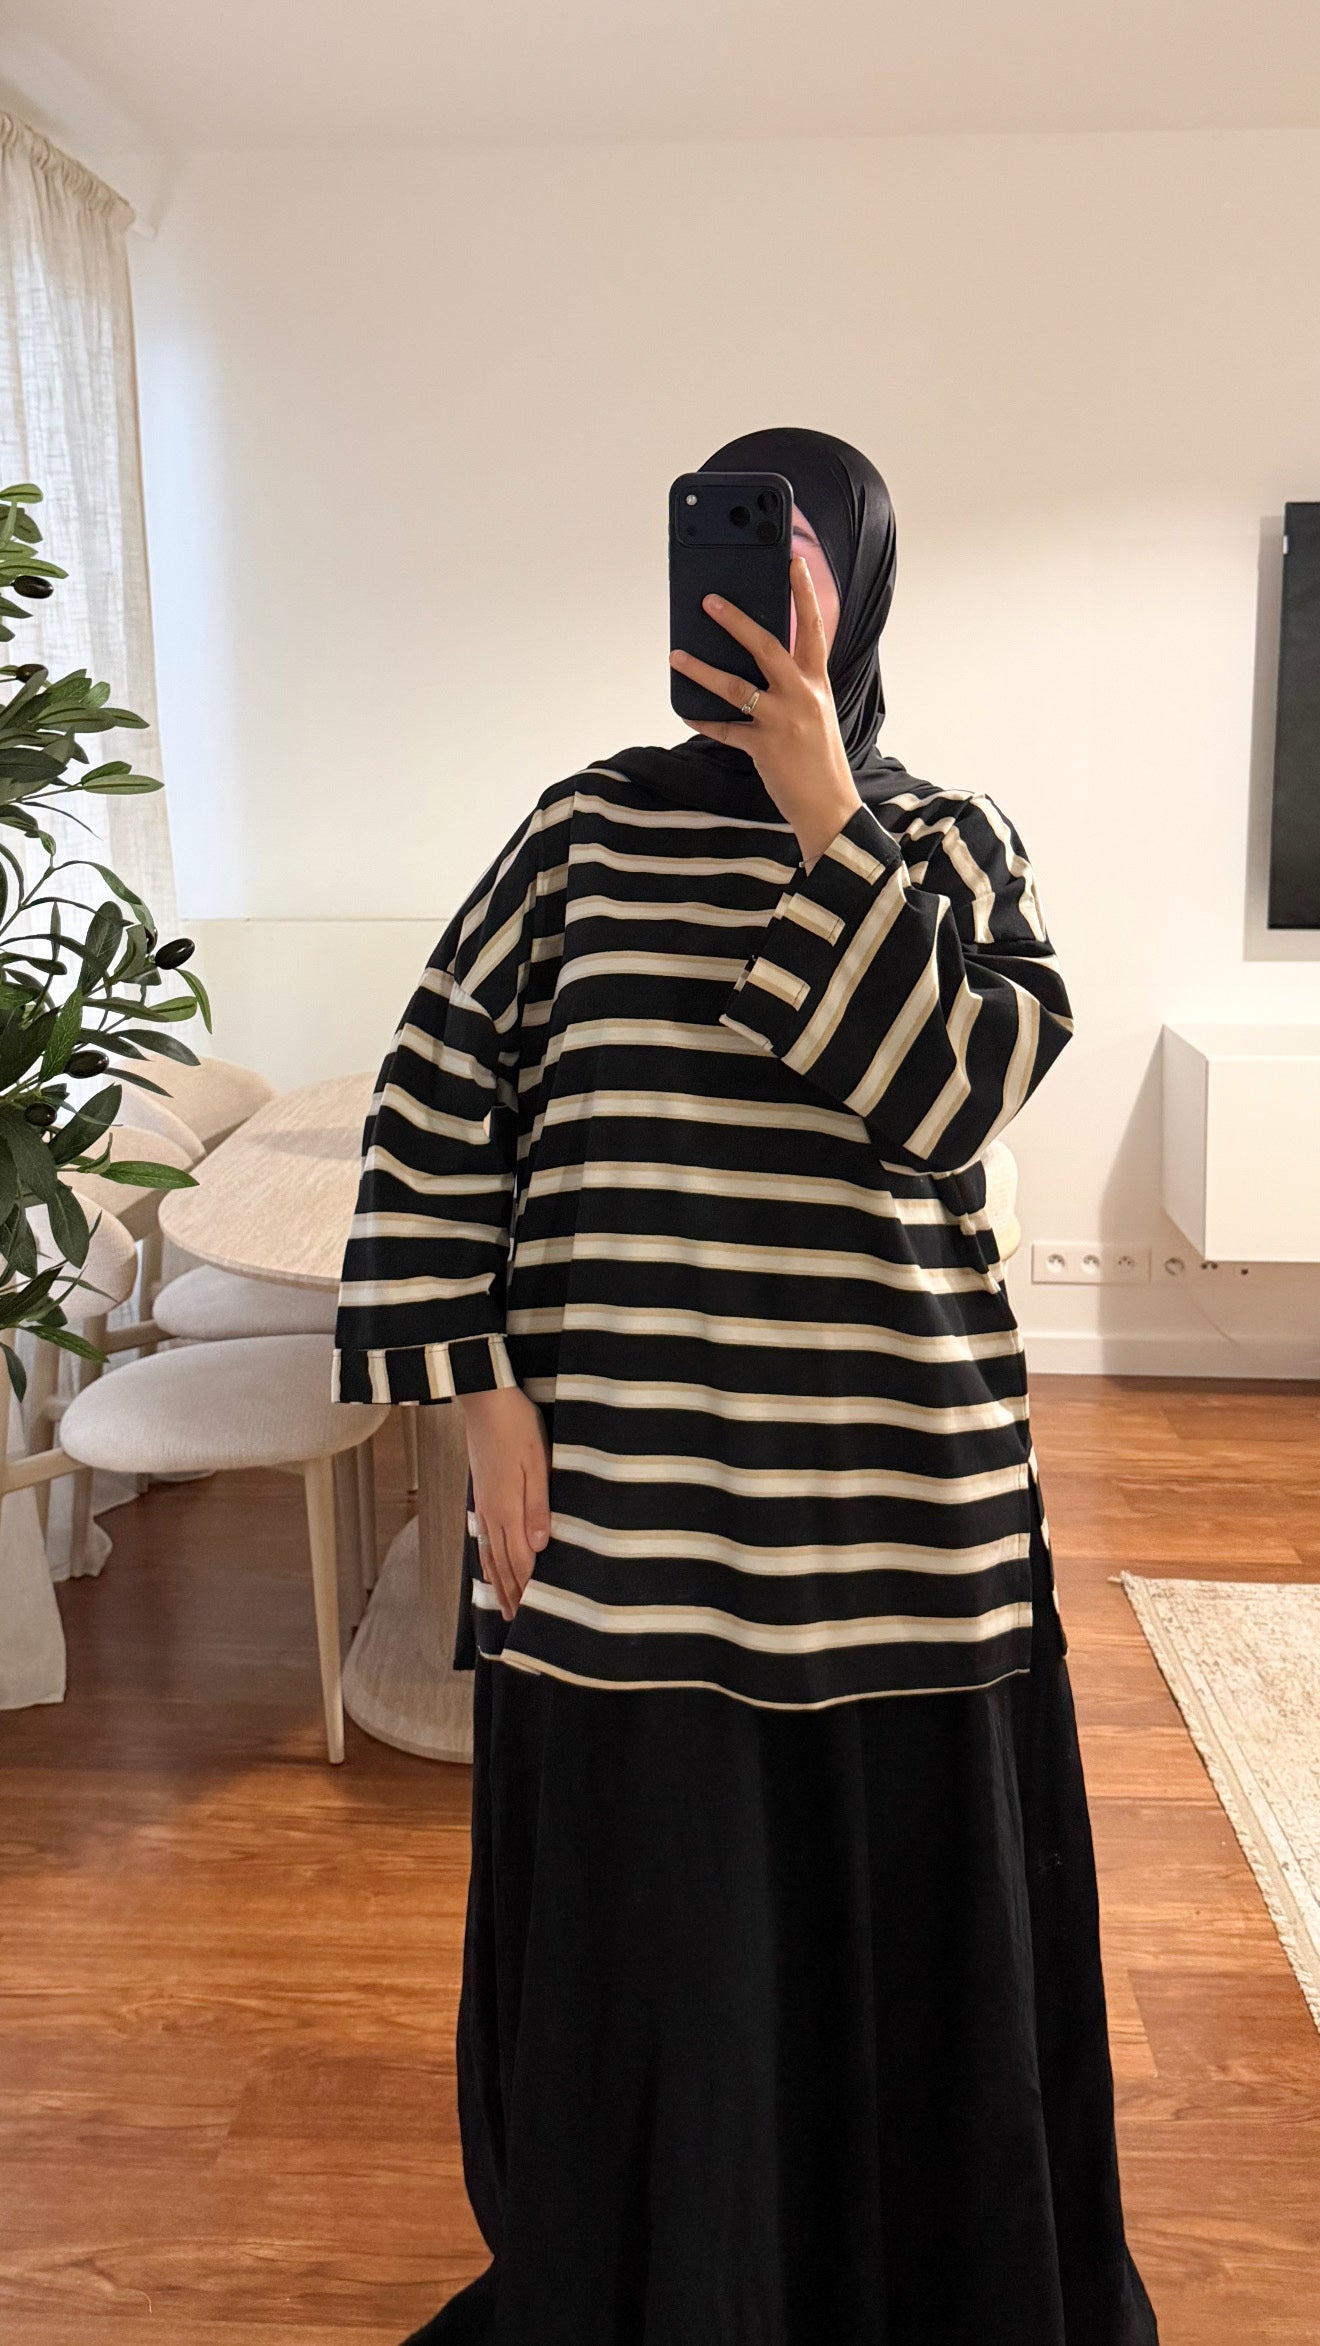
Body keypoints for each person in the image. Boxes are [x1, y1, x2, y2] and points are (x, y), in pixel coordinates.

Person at [335, 425, 1160, 2345]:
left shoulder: (950, 843)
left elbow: (946, 1099)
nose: (758, 601)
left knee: (902, 1951)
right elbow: (434, 1108)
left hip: (907, 1532)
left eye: (789, 561)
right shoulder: (576, 838)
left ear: (854, 592)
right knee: (660, 1962)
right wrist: (482, 1397)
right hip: (631, 1524)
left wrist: (826, 812)